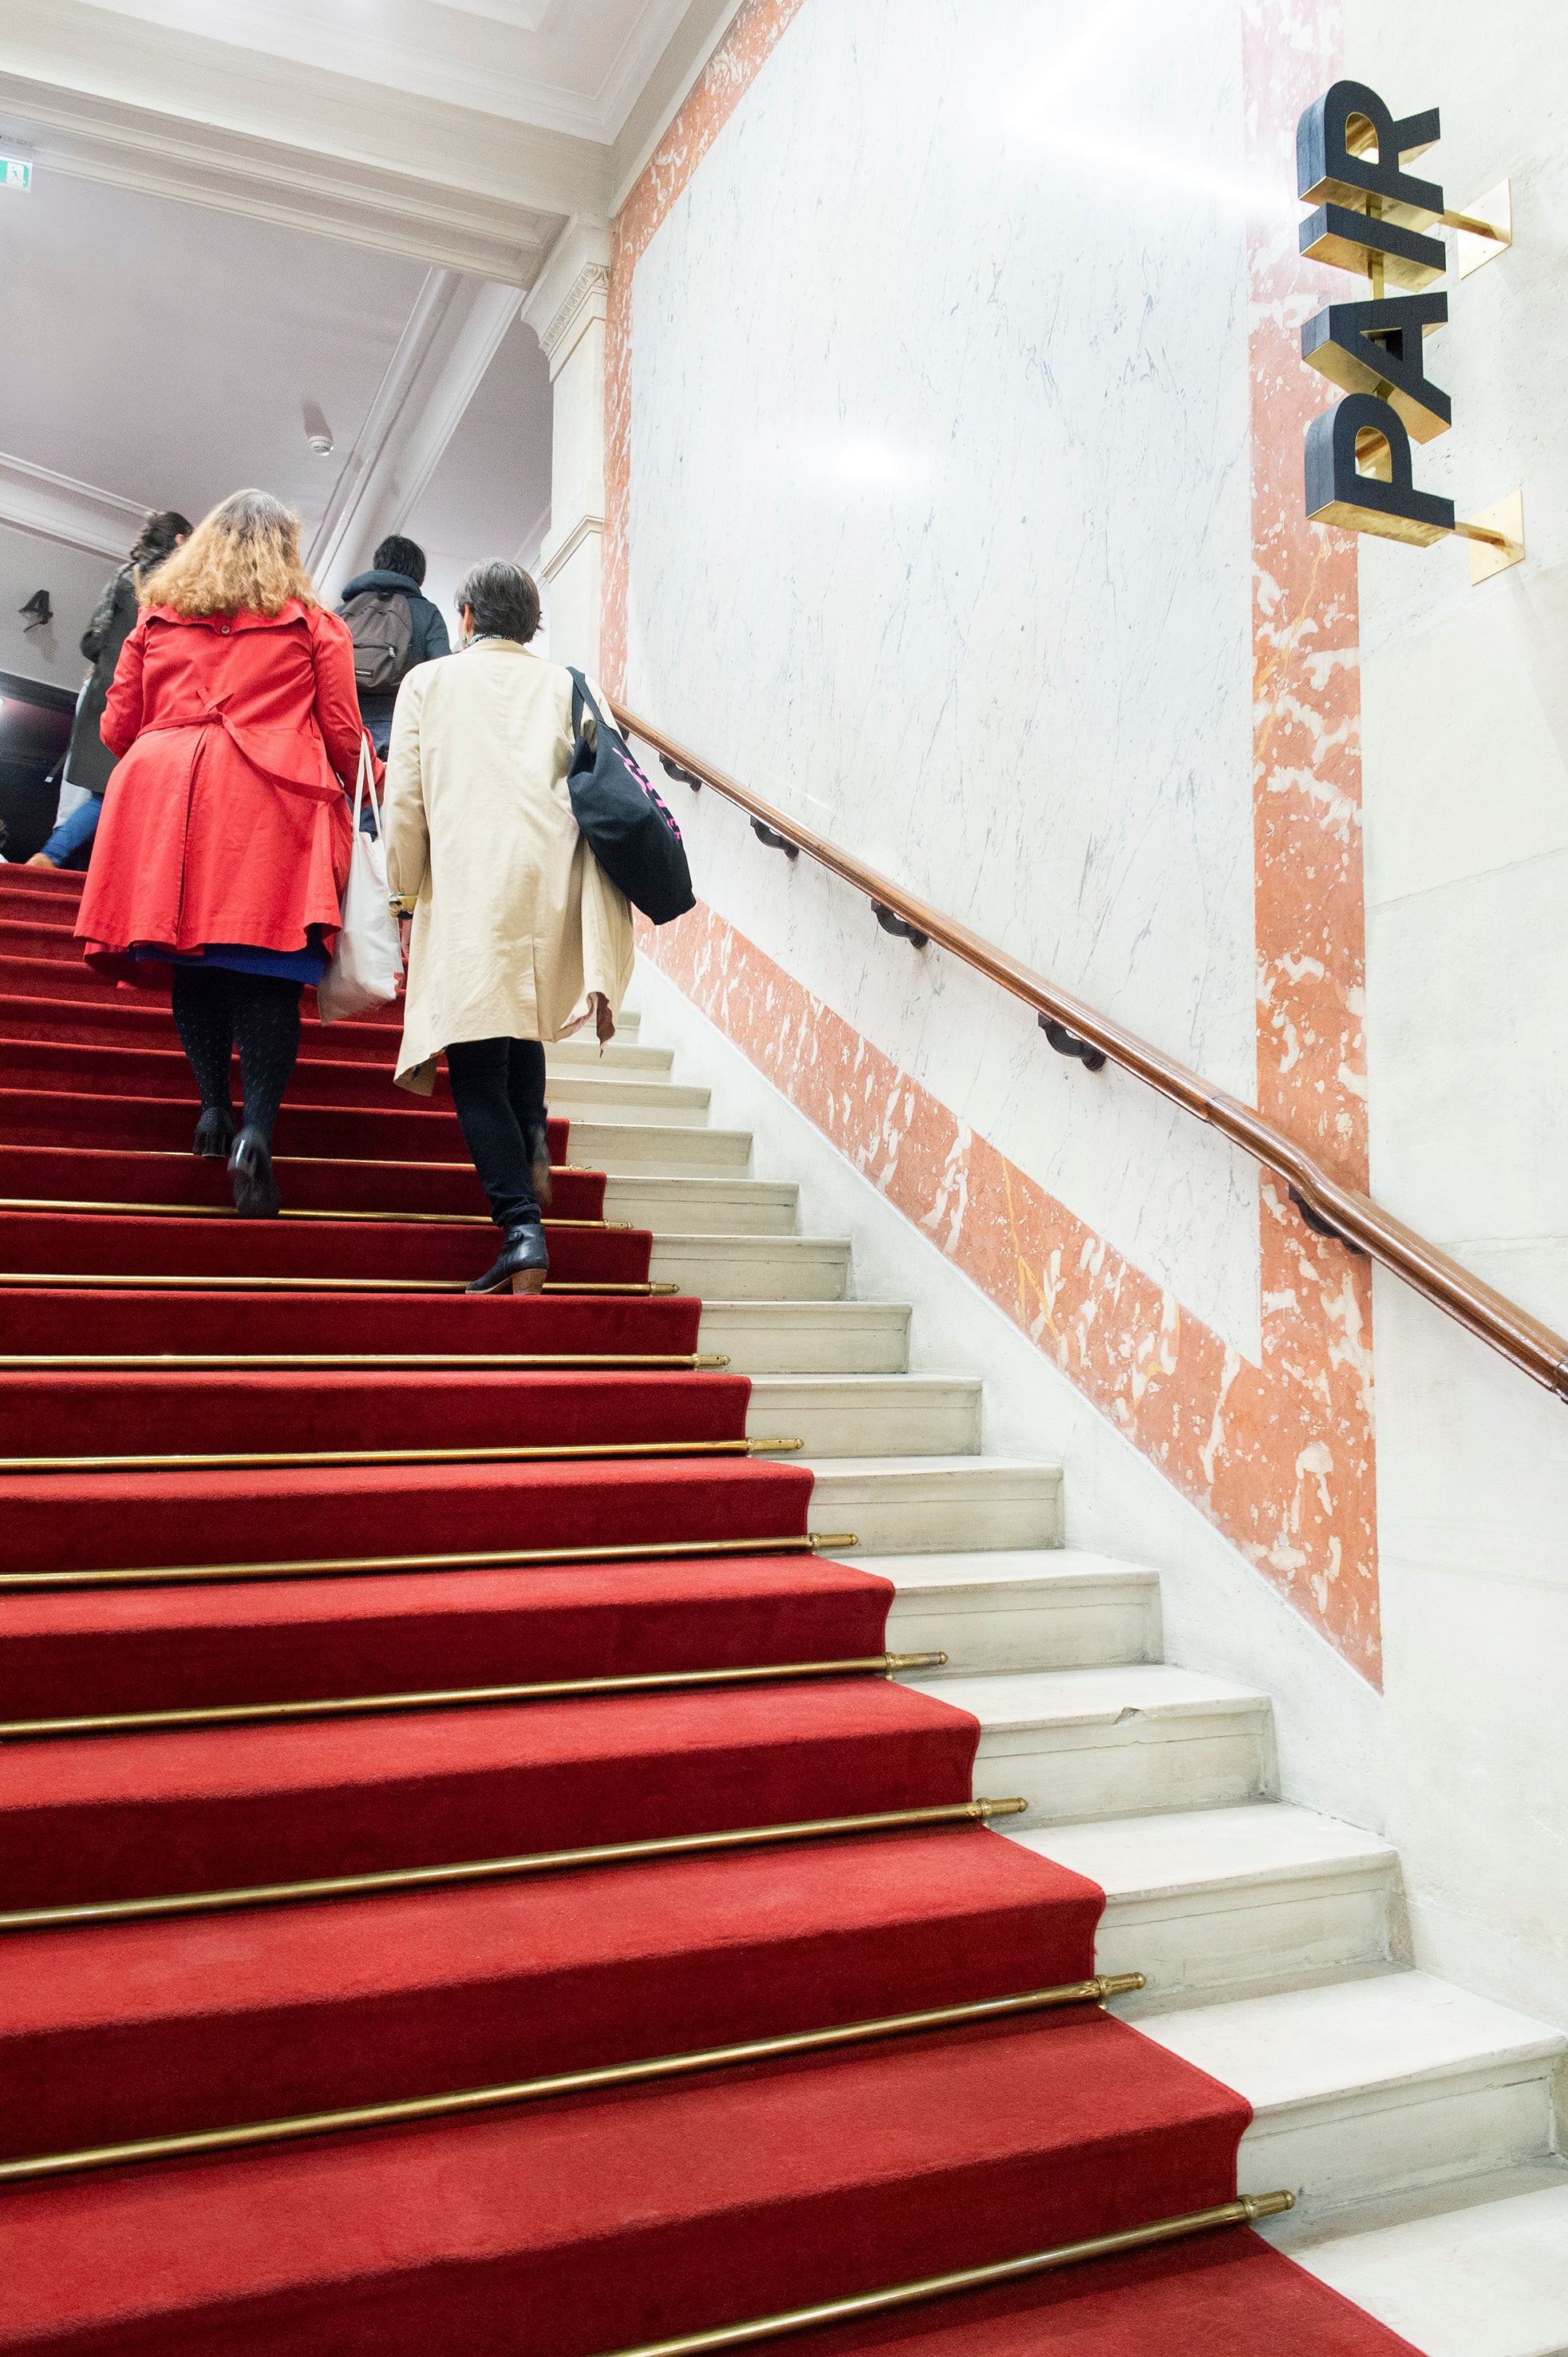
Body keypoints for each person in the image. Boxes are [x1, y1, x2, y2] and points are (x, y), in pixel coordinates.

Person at [75, 489, 369, 1218]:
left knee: (193, 965)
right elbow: (342, 738)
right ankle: (257, 1131)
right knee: (265, 976)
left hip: (166, 800)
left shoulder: (157, 617)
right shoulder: (316, 625)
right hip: (268, 805)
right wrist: (394, 799)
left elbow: (117, 726)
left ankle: (211, 1112)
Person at [383, 560, 633, 1294]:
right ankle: (532, 1128)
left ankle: (521, 1230)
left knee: (475, 1067)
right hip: (550, 880)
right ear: (532, 625)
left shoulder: (428, 683)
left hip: (470, 882)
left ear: (464, 616)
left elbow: (405, 803)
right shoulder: (566, 685)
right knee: (519, 1016)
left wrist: (401, 894)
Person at [27, 509, 192, 871]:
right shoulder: (184, 587)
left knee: (107, 789)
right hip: (146, 702)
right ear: (180, 541)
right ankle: (58, 857)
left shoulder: (123, 575)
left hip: (105, 692)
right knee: (124, 791)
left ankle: (55, 855)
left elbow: (91, 641)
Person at [336, 535, 451, 757]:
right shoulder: (426, 613)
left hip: (346, 734)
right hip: (400, 734)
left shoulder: (341, 614)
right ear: (418, 576)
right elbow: (442, 679)